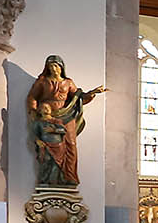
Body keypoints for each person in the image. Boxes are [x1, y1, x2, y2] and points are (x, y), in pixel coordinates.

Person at [26, 55, 105, 189]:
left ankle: (69, 177)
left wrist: (93, 93)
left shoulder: (68, 82)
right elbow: (32, 97)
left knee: (71, 145)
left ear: (61, 67)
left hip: (66, 116)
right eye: (51, 66)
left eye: (56, 66)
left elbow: (79, 98)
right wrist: (33, 111)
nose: (54, 69)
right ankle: (49, 178)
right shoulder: (43, 82)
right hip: (48, 116)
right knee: (48, 146)